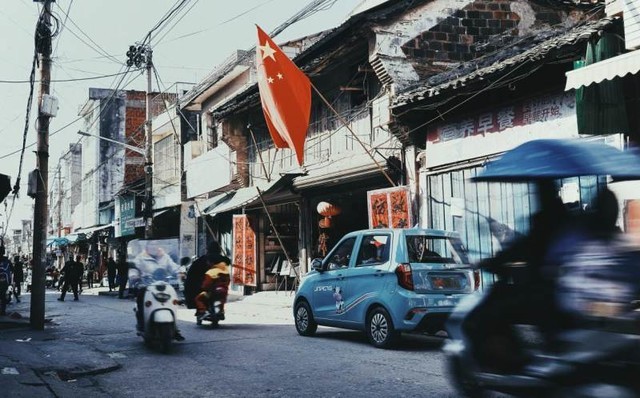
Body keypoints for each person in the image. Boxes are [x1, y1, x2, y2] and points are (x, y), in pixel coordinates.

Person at [132, 241, 184, 341]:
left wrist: (180, 272)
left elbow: (174, 267)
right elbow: (134, 268)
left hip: (164, 284)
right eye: (151, 244)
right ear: (147, 247)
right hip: (146, 285)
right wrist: (134, 275)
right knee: (140, 301)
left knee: (173, 301)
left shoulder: (165, 257)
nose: (154, 247)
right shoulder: (141, 258)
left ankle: (175, 328)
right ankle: (142, 324)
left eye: (156, 244)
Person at [184, 241, 231, 311]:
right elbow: (228, 262)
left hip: (210, 284)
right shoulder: (222, 259)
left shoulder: (202, 259)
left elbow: (192, 274)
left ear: (208, 249)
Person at [194, 257, 231, 321]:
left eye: (209, 262)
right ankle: (221, 311)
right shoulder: (226, 271)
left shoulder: (211, 272)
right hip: (224, 291)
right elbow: (228, 281)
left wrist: (203, 288)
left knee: (198, 298)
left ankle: (203, 312)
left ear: (212, 263)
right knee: (222, 300)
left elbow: (207, 283)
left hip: (212, 292)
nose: (208, 263)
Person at [0, 247, 13, 315]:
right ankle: (2, 310)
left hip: (4, 281)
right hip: (5, 281)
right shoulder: (7, 261)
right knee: (3, 297)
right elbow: (11, 270)